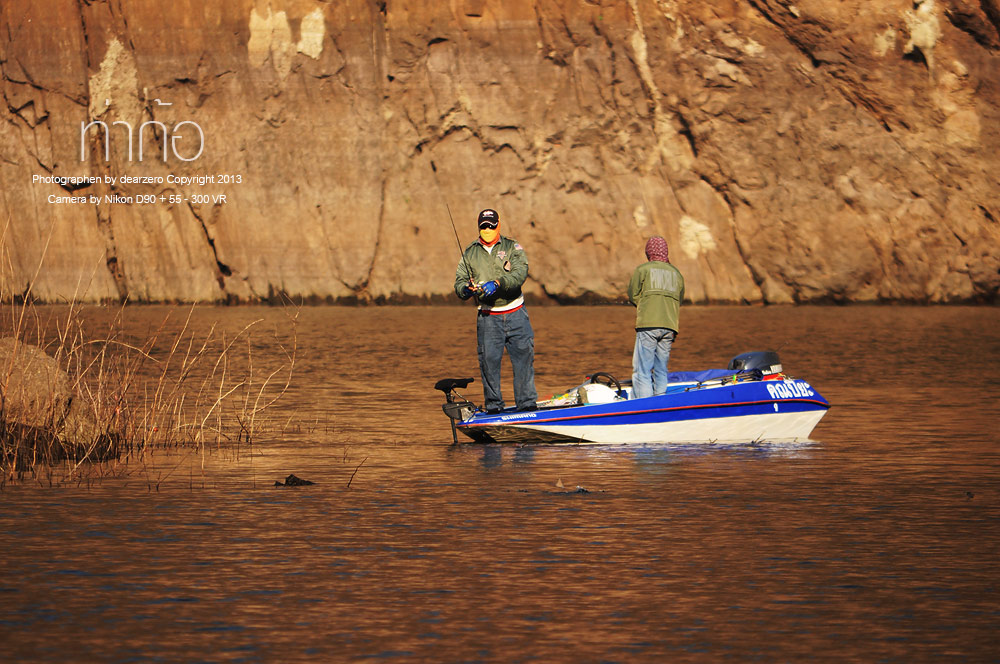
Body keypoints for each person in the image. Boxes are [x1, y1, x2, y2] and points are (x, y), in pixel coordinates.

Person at [454, 208, 537, 413]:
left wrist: (499, 283)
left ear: (498, 225)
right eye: (483, 226)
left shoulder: (512, 247)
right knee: (489, 364)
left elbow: (520, 273)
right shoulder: (470, 252)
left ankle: (526, 406)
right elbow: (459, 282)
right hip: (488, 318)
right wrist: (465, 290)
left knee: (524, 360)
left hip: (516, 314)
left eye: (491, 225)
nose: (487, 229)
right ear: (479, 227)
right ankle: (494, 407)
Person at [627, 236, 685, 399]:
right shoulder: (676, 273)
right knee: (661, 369)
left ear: (649, 252)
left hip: (648, 325)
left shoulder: (642, 270)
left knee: (642, 370)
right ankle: (660, 401)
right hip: (670, 327)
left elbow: (633, 295)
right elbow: (679, 299)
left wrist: (646, 305)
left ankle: (645, 406)